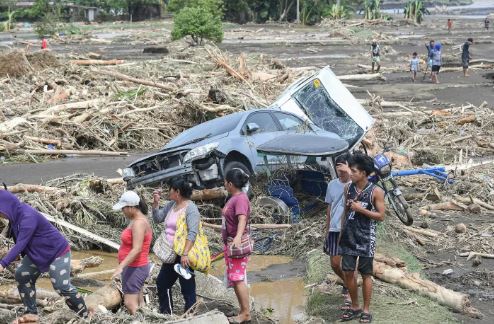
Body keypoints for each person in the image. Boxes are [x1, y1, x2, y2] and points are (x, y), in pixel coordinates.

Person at [0, 190, 88, 323]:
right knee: (22, 274)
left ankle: (84, 315)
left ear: (6, 207)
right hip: (37, 254)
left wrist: (3, 264)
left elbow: (20, 245)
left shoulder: (27, 216)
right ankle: (31, 312)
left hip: (57, 252)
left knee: (61, 286)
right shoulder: (14, 217)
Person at [338, 153, 385, 323]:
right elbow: (345, 211)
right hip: (349, 236)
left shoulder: (376, 191)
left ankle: (366, 309)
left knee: (366, 274)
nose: (350, 173)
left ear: (364, 173)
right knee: (349, 272)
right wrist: (341, 233)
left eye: (354, 170)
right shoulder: (348, 188)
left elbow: (380, 216)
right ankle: (355, 306)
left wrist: (361, 209)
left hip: (366, 237)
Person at [152, 179, 200, 315]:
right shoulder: (171, 205)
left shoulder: (191, 209)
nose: (169, 192)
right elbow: (157, 219)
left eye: (170, 189)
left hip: (184, 254)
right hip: (171, 253)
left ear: (177, 192)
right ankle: (167, 315)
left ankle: (190, 316)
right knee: (162, 283)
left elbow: (193, 232)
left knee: (187, 288)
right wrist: (155, 203)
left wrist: (185, 254)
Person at [113, 191, 152, 315]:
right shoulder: (136, 220)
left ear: (130, 207)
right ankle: (145, 319)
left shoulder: (139, 223)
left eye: (123, 208)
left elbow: (137, 249)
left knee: (130, 304)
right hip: (135, 267)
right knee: (140, 303)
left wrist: (121, 266)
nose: (122, 211)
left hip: (135, 267)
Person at [222, 168, 252, 323]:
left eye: (225, 182)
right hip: (231, 243)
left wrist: (238, 237)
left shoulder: (240, 198)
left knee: (238, 278)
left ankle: (246, 312)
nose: (224, 184)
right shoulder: (233, 198)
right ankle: (243, 310)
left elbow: (242, 218)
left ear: (230, 183)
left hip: (236, 244)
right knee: (235, 278)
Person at [324, 153, 353, 310]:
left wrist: (349, 174)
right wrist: (327, 229)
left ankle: (350, 293)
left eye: (344, 169)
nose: (341, 173)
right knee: (334, 264)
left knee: (349, 265)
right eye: (339, 169)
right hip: (335, 228)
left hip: (349, 231)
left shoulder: (355, 184)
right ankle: (347, 283)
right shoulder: (332, 185)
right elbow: (329, 208)